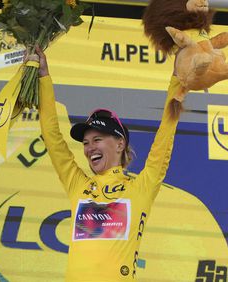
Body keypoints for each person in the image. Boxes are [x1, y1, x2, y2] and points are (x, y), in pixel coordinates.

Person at [35, 46, 184, 281]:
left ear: (119, 144)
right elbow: (52, 138)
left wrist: (178, 79)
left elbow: (165, 137)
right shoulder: (78, 185)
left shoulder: (140, 187)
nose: (89, 148)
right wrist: (43, 77)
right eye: (85, 143)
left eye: (97, 139)